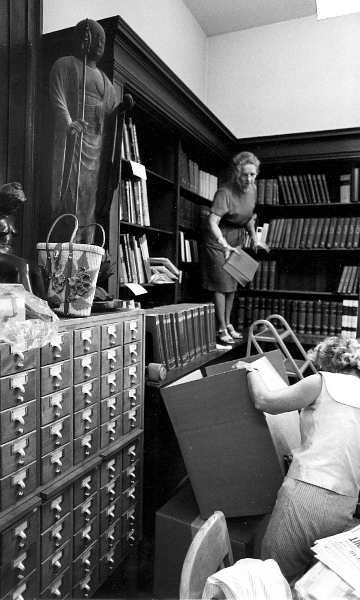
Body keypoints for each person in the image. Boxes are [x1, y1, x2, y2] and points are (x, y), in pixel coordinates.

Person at [232, 336, 360, 587]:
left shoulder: (322, 382)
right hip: (345, 503)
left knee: (272, 580)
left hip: (306, 496)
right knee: (309, 585)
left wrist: (251, 370)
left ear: (327, 364)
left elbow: (265, 401)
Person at [49, 19, 117, 243]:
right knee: (72, 194)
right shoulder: (66, 64)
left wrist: (123, 109)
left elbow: (110, 114)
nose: (99, 43)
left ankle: (86, 243)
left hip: (95, 143)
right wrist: (69, 123)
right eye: (96, 37)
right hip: (75, 139)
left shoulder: (106, 81)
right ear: (83, 39)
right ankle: (70, 241)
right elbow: (58, 97)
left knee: (90, 197)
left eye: (103, 40)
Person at [201, 151, 269, 345]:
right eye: (245, 175)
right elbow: (212, 221)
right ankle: (220, 327)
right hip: (218, 241)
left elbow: (249, 219)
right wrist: (223, 243)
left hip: (236, 240)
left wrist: (254, 240)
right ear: (237, 173)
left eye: (253, 175)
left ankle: (228, 323)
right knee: (221, 285)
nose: (249, 179)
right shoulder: (225, 192)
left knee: (232, 285)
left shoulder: (253, 190)